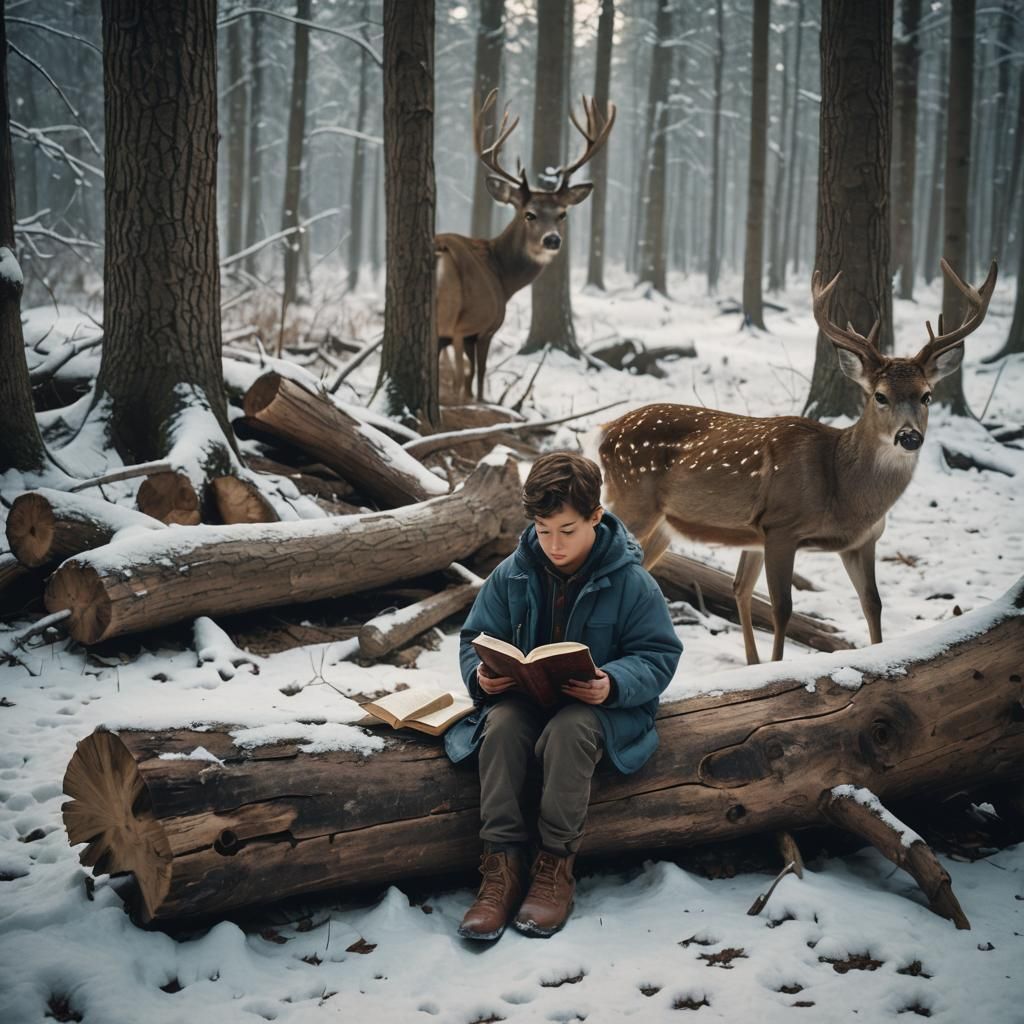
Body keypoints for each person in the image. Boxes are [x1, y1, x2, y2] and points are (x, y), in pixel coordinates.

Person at [444, 451, 683, 940]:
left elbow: (659, 654)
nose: (553, 544)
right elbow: (475, 637)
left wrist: (611, 683)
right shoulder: (512, 571)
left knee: (570, 731)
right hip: (524, 700)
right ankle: (501, 871)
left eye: (567, 531)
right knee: (503, 725)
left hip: (602, 712)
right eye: (543, 529)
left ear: (596, 517)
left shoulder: (632, 581)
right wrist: (481, 677)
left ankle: (554, 868)